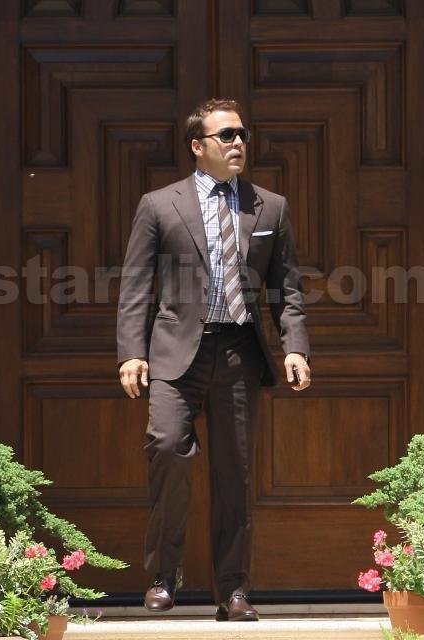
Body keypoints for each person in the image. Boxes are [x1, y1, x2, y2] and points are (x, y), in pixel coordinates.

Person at [117, 98, 311, 622]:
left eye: (242, 134)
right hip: (175, 351)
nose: (238, 143)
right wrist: (132, 353)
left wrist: (295, 345)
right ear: (197, 146)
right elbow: (136, 286)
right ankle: (163, 576)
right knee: (167, 449)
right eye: (226, 135)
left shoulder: (270, 207)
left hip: (239, 351)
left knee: (235, 472)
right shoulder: (159, 205)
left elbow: (287, 287)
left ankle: (234, 590)